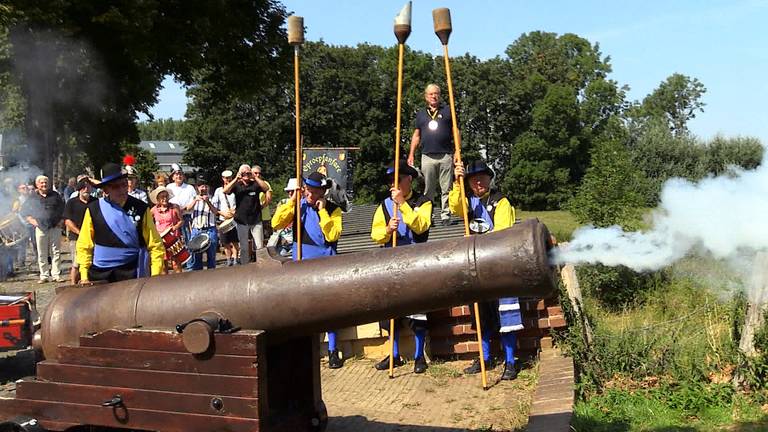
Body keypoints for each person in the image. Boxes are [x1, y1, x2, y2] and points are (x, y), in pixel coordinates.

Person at [449, 160, 522, 381]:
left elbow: (502, 236)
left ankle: (510, 361)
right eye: (473, 178)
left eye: (481, 177)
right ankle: (485, 357)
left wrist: (475, 242)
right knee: (480, 315)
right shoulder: (468, 202)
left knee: (506, 315)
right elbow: (455, 207)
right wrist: (456, 182)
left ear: (489, 179)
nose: (478, 181)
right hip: (477, 268)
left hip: (501, 267)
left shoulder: (501, 202)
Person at [272, 172, 344, 369]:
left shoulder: (334, 209)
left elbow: (332, 235)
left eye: (314, 192)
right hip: (301, 267)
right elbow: (276, 223)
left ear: (322, 192)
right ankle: (304, 351)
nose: (310, 195)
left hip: (325, 266)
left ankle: (332, 349)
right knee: (303, 311)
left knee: (329, 310)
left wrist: (322, 212)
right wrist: (292, 202)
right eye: (307, 191)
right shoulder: (297, 207)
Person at [370, 161, 432, 374]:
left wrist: (403, 205)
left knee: (417, 313)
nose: (392, 185)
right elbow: (375, 234)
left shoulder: (423, 202)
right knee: (391, 314)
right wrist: (387, 230)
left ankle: (418, 356)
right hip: (391, 264)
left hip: (416, 264)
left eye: (396, 180)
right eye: (390, 181)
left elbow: (421, 225)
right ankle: (394, 354)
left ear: (409, 179)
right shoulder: (384, 206)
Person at [77, 163, 164, 283]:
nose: (122, 190)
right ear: (106, 189)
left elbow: (155, 245)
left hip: (131, 272)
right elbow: (84, 244)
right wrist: (84, 276)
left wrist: (155, 275)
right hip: (100, 274)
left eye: (124, 185)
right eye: (115, 187)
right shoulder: (93, 209)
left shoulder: (141, 208)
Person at [408, 83, 454, 226]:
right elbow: (416, 135)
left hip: (445, 154)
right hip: (427, 155)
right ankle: (429, 215)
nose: (434, 96)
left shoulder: (447, 110)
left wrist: (458, 151)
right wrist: (411, 154)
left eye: (436, 93)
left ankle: (446, 215)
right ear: (426, 96)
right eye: (431, 94)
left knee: (446, 188)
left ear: (439, 95)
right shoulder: (421, 113)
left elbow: (455, 131)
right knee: (428, 188)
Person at [21, 175, 64, 283]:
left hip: (55, 227)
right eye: (41, 183)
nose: (44, 184)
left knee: (56, 252)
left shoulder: (56, 195)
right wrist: (33, 221)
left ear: (49, 184)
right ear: (37, 185)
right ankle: (44, 275)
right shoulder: (32, 197)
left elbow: (63, 209)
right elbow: (24, 212)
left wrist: (61, 221)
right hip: (40, 228)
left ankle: (56, 274)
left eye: (46, 182)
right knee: (42, 253)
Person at [223, 164, 269, 264]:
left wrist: (255, 176)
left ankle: (260, 264)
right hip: (241, 221)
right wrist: (236, 178)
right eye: (244, 173)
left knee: (259, 246)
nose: (246, 175)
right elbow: (225, 190)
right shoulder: (237, 185)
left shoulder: (255, 184)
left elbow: (266, 188)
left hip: (256, 219)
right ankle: (245, 266)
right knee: (243, 247)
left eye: (248, 173)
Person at [62, 177, 95, 284]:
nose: (86, 189)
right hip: (76, 238)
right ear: (79, 189)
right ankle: (73, 285)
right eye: (84, 187)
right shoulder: (72, 203)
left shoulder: (96, 202)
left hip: (93, 238)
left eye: (88, 187)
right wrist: (80, 233)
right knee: (77, 263)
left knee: (91, 263)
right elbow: (67, 221)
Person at [166, 164, 197, 269]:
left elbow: (192, 204)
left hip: (186, 218)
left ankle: (190, 265)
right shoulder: (169, 187)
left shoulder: (190, 188)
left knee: (189, 242)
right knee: (174, 243)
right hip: (173, 220)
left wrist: (181, 210)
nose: (178, 176)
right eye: (176, 174)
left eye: (180, 174)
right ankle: (177, 264)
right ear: (172, 176)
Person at [186, 176, 220, 270]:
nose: (203, 188)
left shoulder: (213, 198)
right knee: (196, 257)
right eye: (201, 186)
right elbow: (188, 209)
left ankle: (211, 276)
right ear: (197, 187)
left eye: (205, 186)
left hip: (210, 229)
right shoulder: (193, 198)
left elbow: (215, 212)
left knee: (211, 256)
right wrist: (195, 200)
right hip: (197, 229)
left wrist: (208, 202)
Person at [150, 186, 184, 274]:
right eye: (162, 197)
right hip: (161, 240)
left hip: (174, 238)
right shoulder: (153, 210)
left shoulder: (174, 207)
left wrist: (174, 228)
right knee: (163, 264)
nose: (164, 199)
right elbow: (149, 223)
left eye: (166, 196)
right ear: (157, 198)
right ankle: (165, 284)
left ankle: (180, 282)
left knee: (176, 262)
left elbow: (181, 221)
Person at [212, 170, 239, 266]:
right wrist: (221, 213)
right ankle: (228, 259)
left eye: (229, 178)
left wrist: (235, 212)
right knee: (225, 241)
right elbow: (214, 205)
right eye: (226, 178)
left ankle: (235, 258)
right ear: (222, 179)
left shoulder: (236, 189)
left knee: (235, 240)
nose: (227, 180)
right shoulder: (218, 191)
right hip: (223, 219)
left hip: (234, 218)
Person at [254, 165, 274, 239]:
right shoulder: (248, 184)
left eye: (259, 173)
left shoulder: (265, 184)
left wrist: (261, 207)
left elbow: (269, 198)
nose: (258, 175)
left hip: (264, 217)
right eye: (255, 173)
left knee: (266, 239)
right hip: (252, 218)